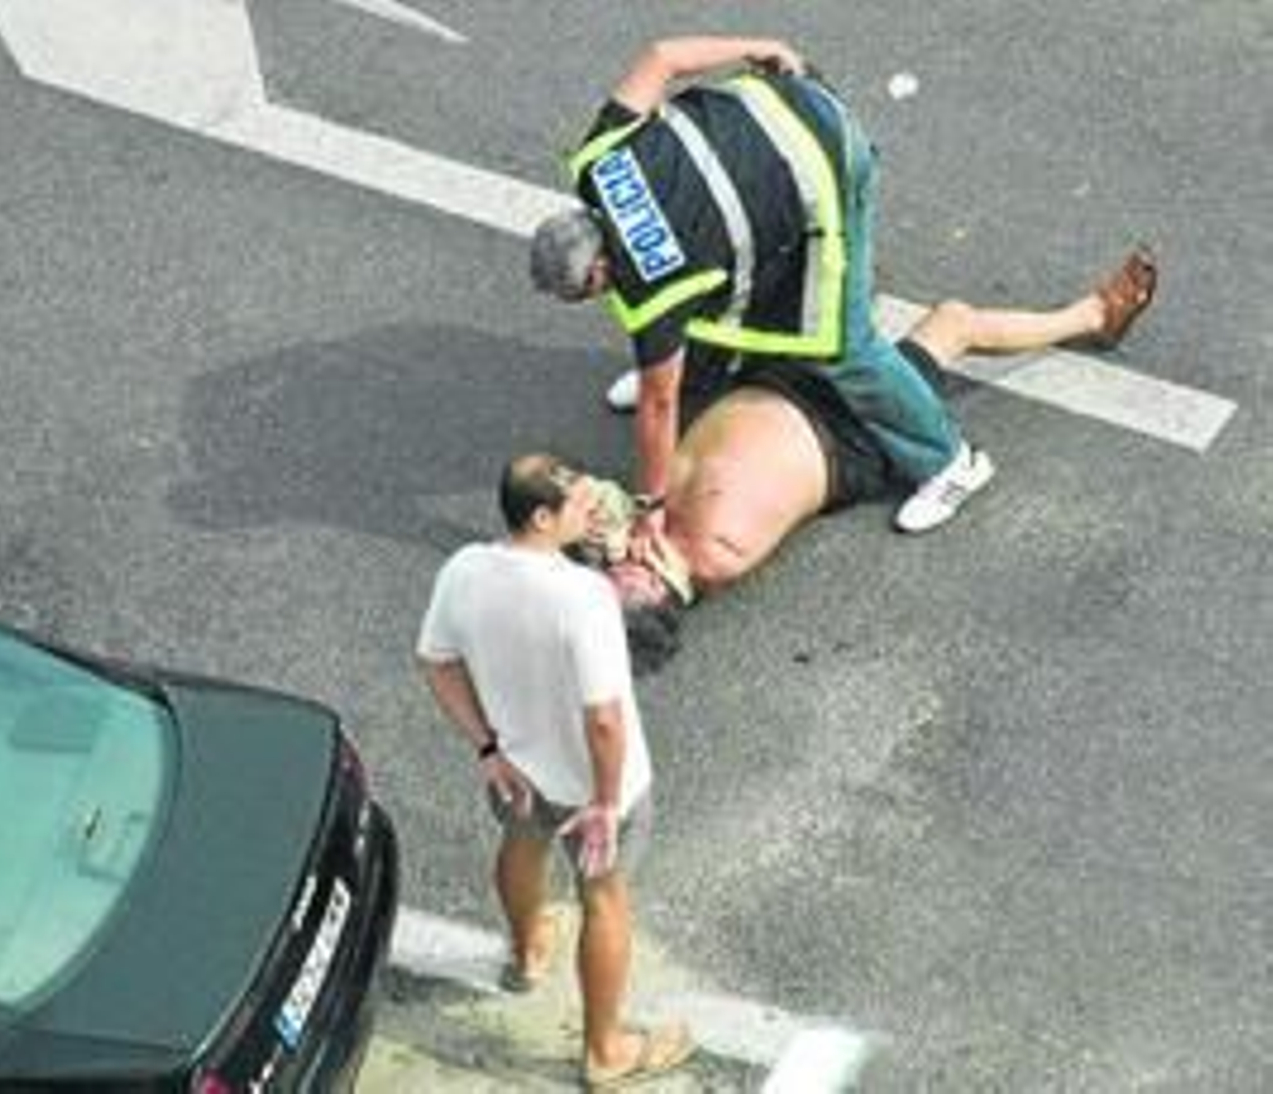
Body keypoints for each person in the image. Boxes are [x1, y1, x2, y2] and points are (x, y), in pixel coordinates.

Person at [583, 248, 1159, 671]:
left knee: (783, 289)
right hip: (848, 429)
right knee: (953, 323)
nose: (613, 571)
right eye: (621, 584)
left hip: (780, 387)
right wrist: (646, 539)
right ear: (657, 598)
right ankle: (1091, 316)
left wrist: (615, 528)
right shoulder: (709, 557)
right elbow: (701, 543)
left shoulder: (645, 540)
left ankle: (688, 369)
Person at [531, 34, 995, 537]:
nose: (600, 297)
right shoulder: (599, 156)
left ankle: (950, 462)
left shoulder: (652, 286)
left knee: (842, 342)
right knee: (712, 299)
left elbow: (657, 406)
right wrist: (761, 44)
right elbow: (665, 56)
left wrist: (651, 506)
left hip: (832, 161)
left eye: (587, 292)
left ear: (598, 270)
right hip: (781, 97)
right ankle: (703, 376)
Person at [416, 453, 695, 1090]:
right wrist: (605, 800)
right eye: (574, 502)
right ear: (542, 518)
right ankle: (605, 1050)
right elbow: (603, 718)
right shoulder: (583, 596)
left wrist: (487, 748)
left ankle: (525, 954)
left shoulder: (464, 571)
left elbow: (435, 661)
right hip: (593, 786)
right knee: (604, 899)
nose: (590, 506)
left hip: (517, 770)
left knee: (520, 844)